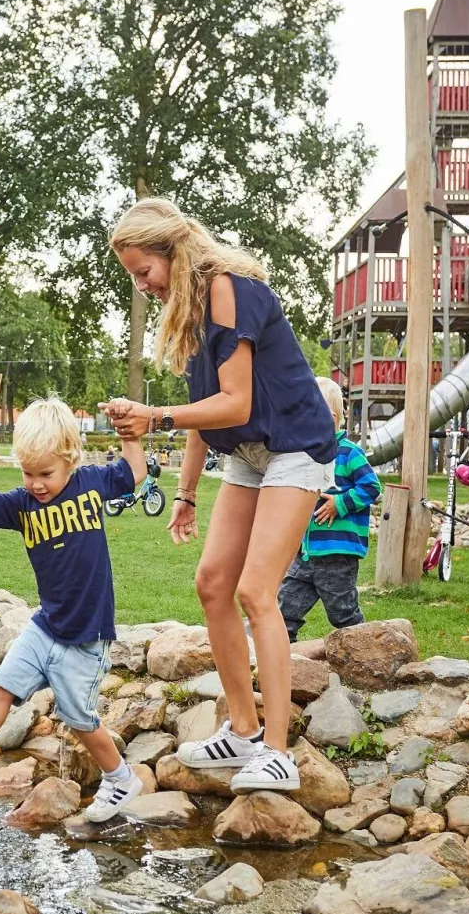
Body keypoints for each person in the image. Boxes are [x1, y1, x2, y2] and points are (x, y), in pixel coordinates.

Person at [103, 198, 336, 794]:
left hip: (294, 445)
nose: (142, 285)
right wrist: (184, 495)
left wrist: (154, 417)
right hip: (250, 455)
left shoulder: (229, 289)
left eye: (143, 271)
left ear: (172, 254)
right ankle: (242, 729)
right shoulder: (189, 314)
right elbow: (208, 415)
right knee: (212, 583)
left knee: (257, 591)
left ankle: (278, 751)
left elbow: (236, 402)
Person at [0, 398, 146, 822]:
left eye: (46, 473)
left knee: (80, 718)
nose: (37, 483)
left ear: (70, 461)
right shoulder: (24, 503)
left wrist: (129, 436)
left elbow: (134, 474)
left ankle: (120, 778)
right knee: (2, 686)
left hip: (87, 635)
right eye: (28, 473)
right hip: (45, 626)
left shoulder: (91, 483)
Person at [277, 377, 381, 643]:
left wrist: (340, 503)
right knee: (284, 609)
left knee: (343, 615)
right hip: (306, 554)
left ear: (330, 417)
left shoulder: (348, 453)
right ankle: (284, 658)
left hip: (337, 556)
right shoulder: (306, 455)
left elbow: (371, 487)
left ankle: (366, 652)